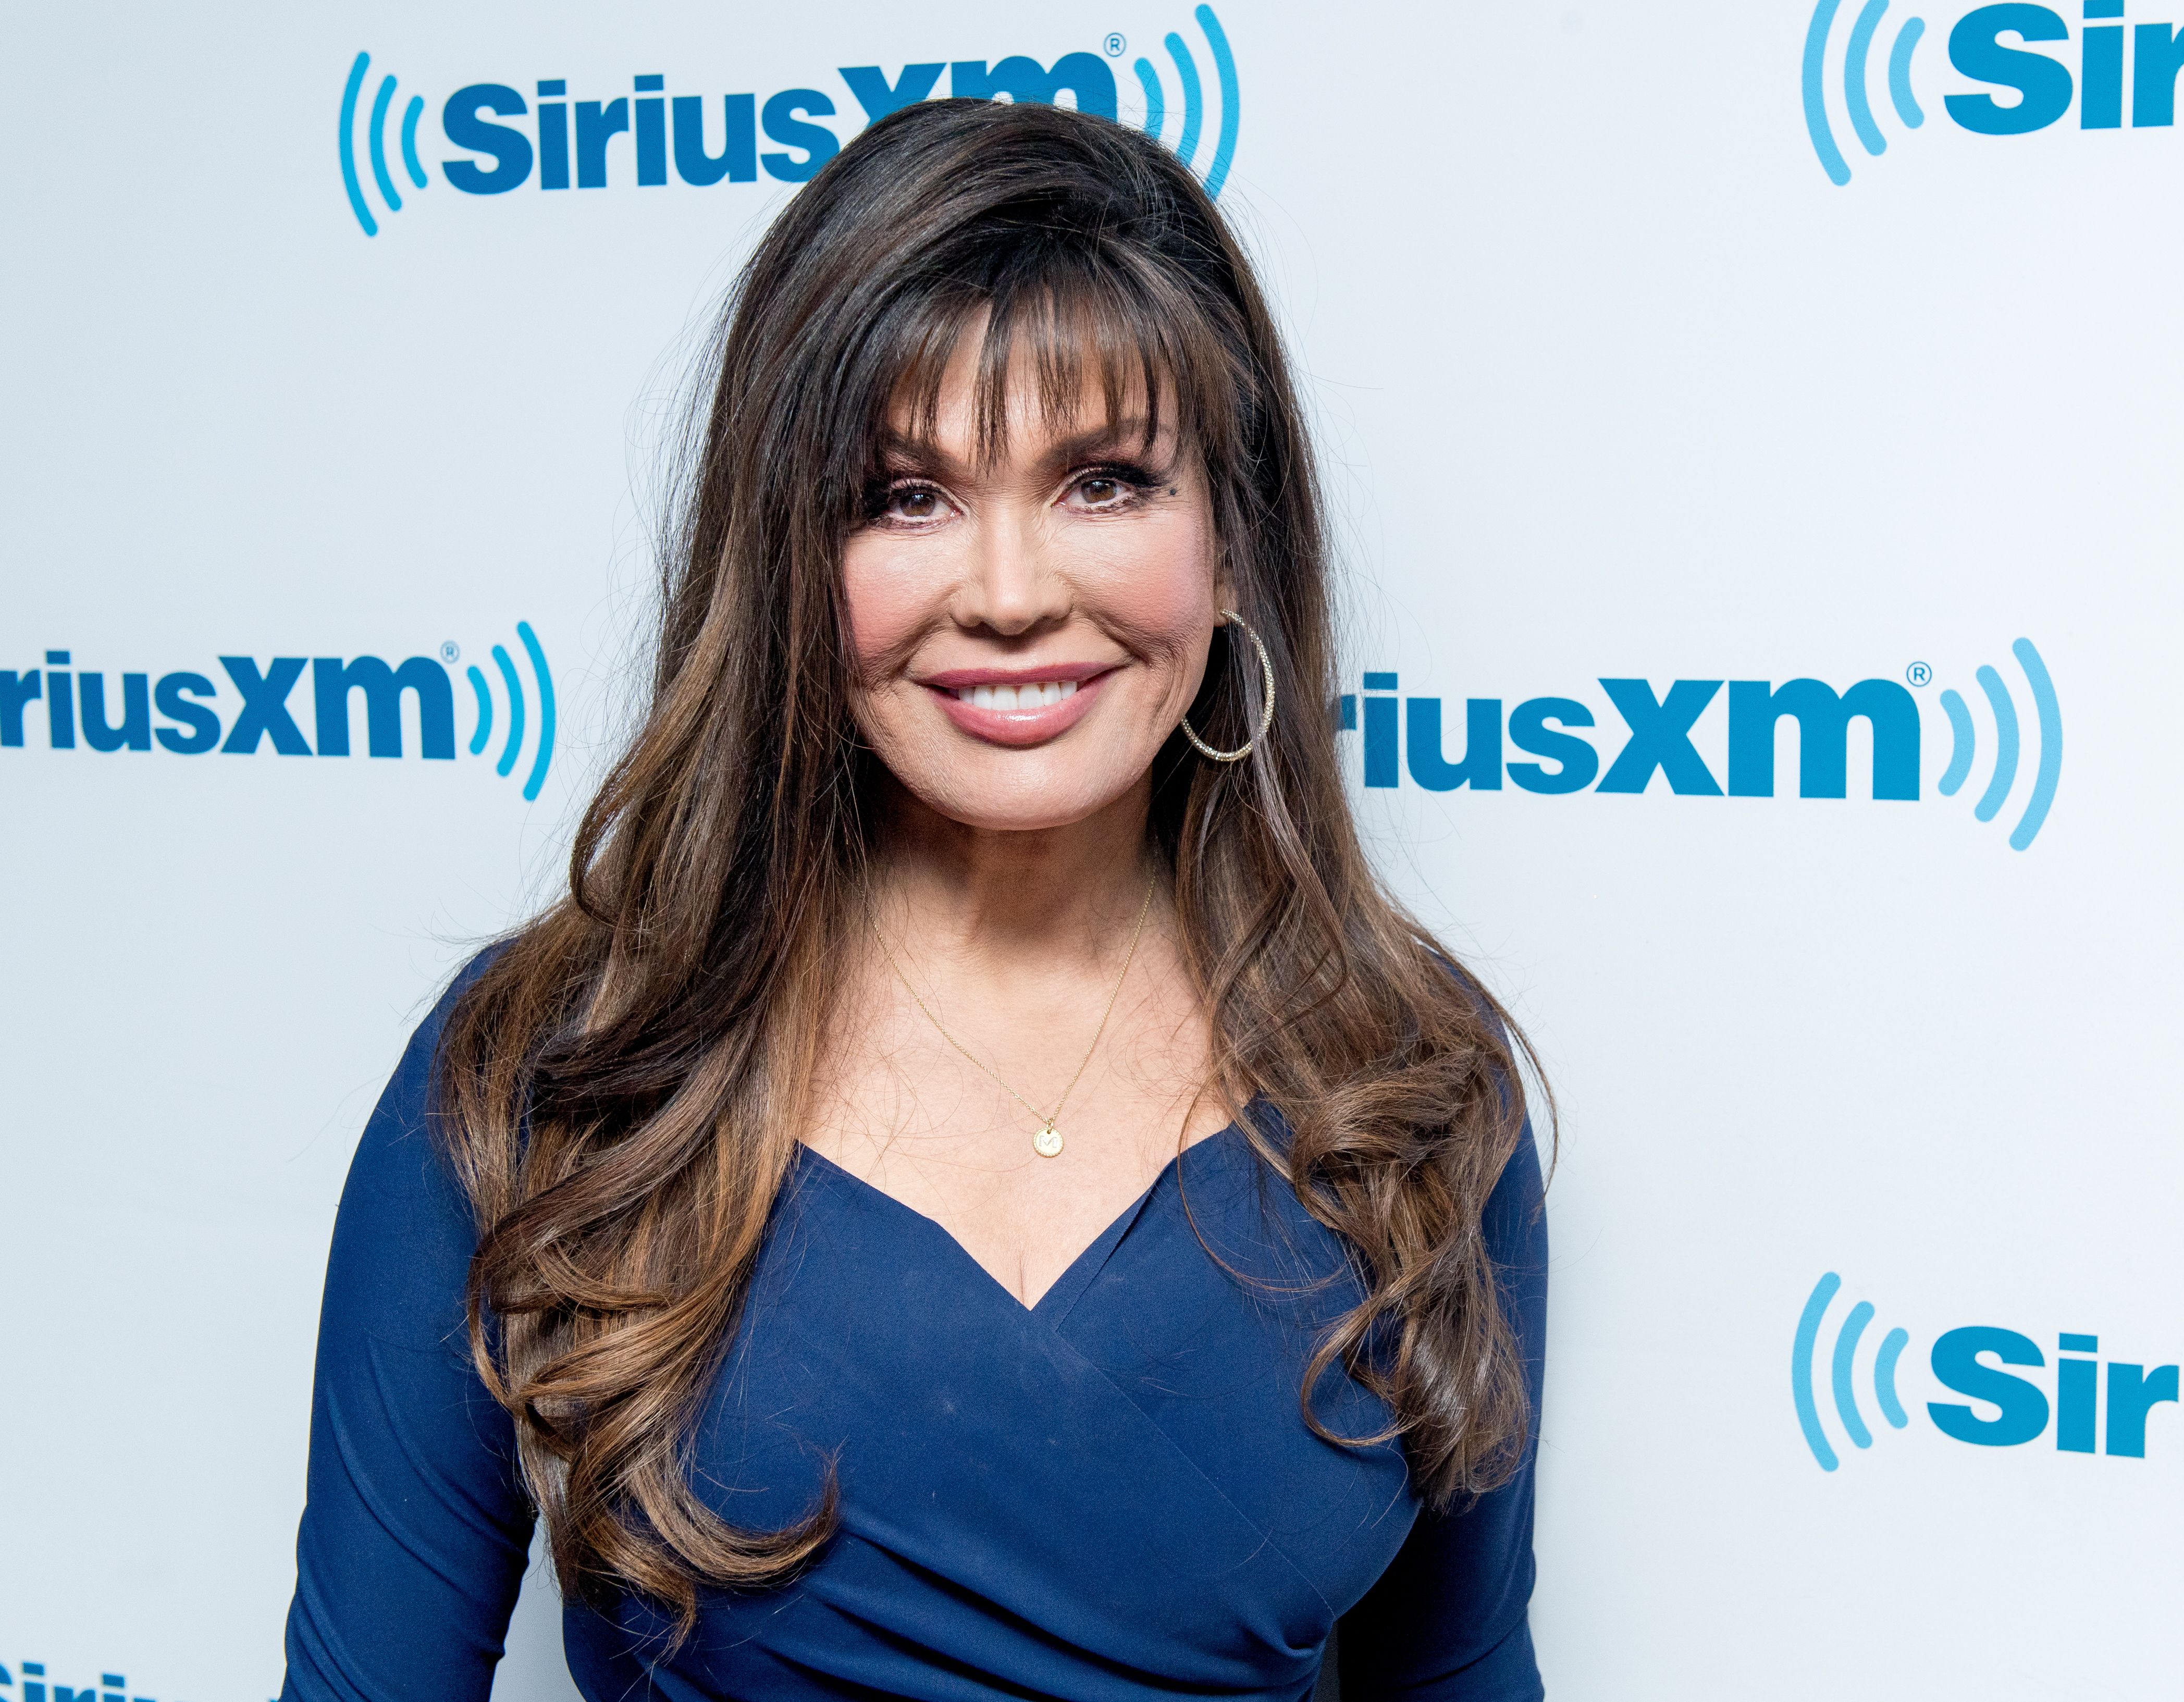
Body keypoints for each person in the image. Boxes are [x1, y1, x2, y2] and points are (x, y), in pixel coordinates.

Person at [281, 97, 1546, 1702]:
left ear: (1233, 542)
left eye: (1103, 481)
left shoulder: (1413, 1083)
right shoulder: (555, 1074)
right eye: (903, 496)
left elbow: (1463, 1674)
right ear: (786, 558)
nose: (1010, 594)